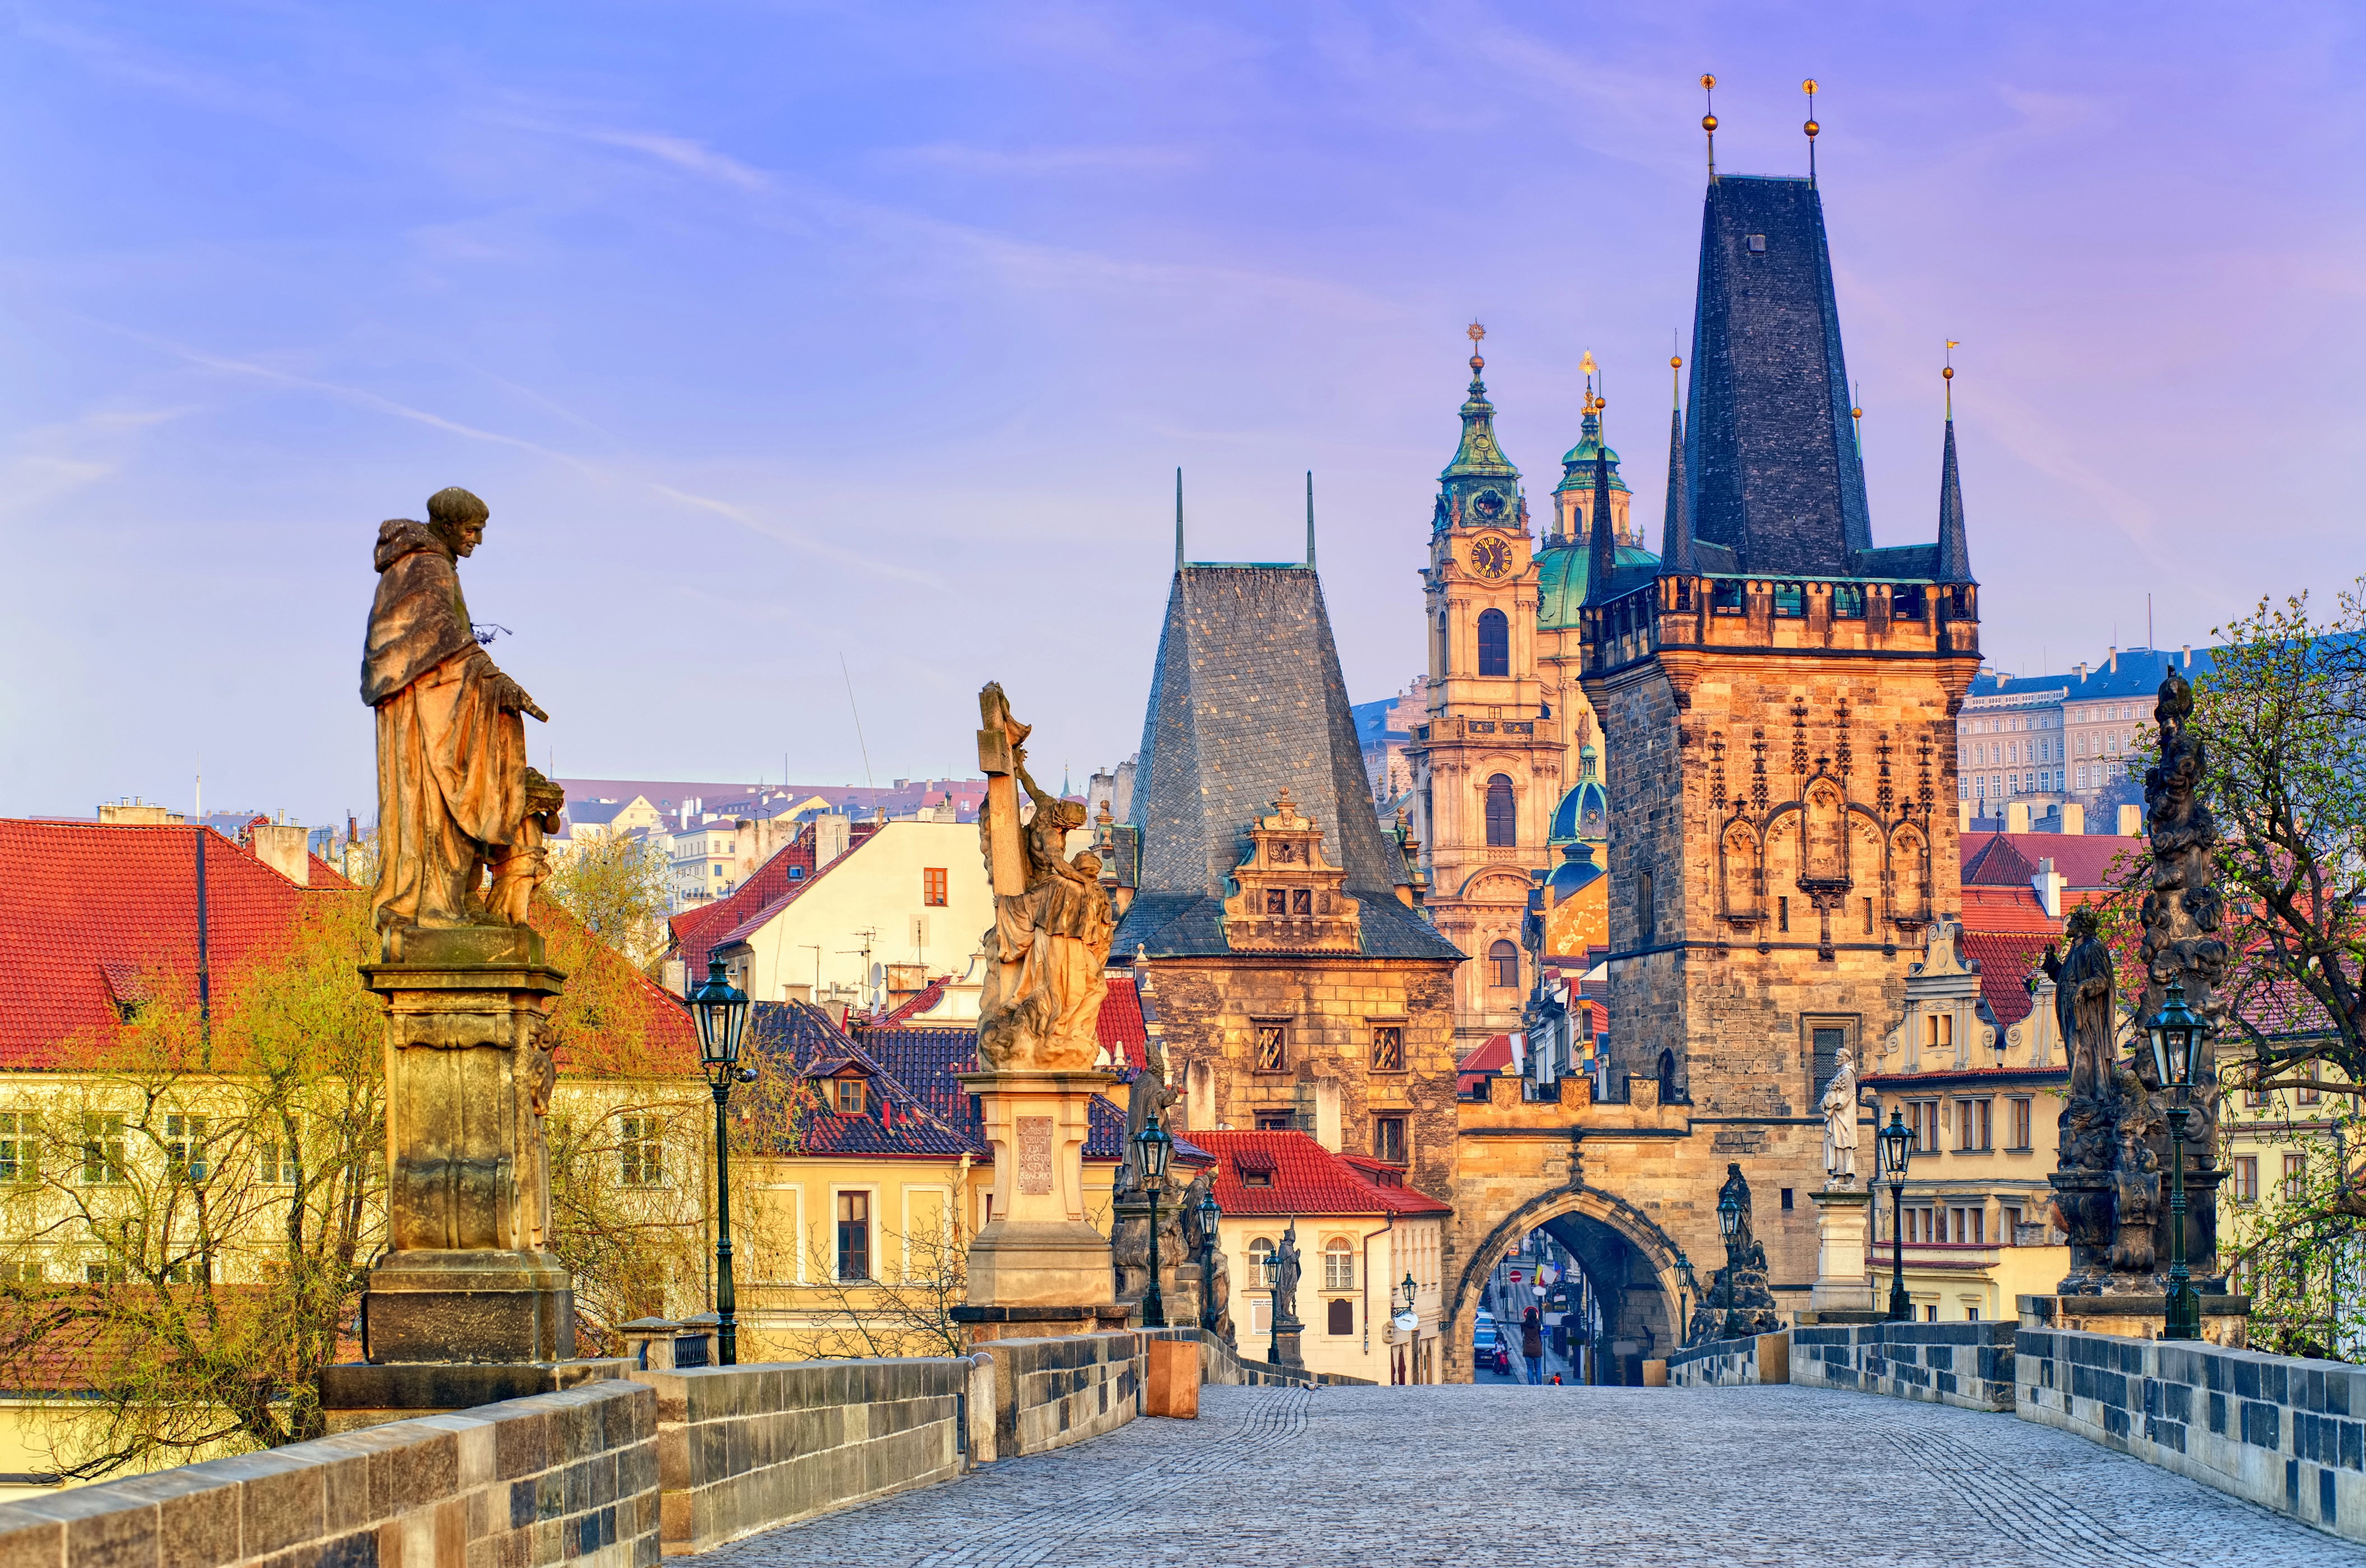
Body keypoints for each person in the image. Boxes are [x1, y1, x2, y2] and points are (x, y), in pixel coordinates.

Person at [1521, 1306, 1545, 1385]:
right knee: (1538, 1368)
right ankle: (1539, 1383)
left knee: (1530, 1369)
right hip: (1537, 1349)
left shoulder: (1524, 1325)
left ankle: (1531, 1384)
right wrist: (1537, 1319)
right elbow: (1542, 1331)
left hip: (1527, 1349)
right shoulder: (1538, 1325)